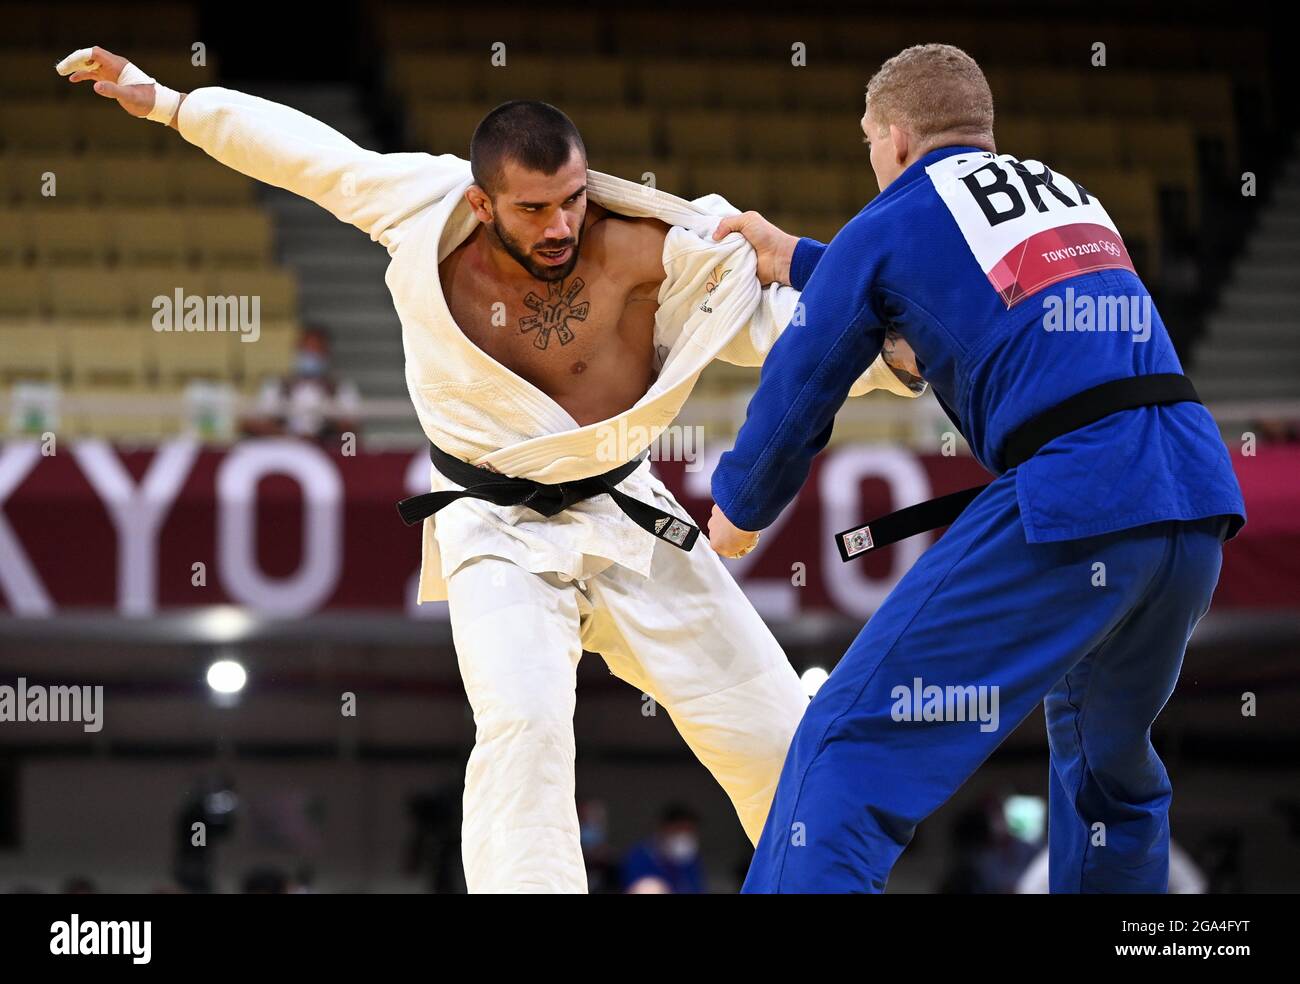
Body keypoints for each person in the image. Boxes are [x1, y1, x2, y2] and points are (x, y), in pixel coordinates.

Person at [59, 45, 923, 893]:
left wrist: (903, 360)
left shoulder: (660, 246)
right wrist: (170, 103)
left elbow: (789, 325)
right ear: (482, 200)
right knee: (525, 728)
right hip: (493, 526)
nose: (559, 227)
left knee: (777, 732)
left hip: (628, 509)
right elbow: (308, 156)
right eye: (534, 208)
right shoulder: (423, 211)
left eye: (573, 201)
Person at [708, 43, 1246, 893]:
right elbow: (947, 293)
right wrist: (803, 259)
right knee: (1109, 774)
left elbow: (807, 374)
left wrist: (740, 502)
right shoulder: (1068, 197)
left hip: (1076, 492)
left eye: (867, 145)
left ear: (894, 137)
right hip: (1195, 499)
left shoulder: (891, 219)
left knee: (847, 741)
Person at [244, 327, 361, 441]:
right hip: (284, 448)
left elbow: (351, 428)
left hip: (325, 451)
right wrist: (290, 437)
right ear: (297, 351)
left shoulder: (341, 388)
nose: (310, 355)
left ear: (326, 353)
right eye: (306, 349)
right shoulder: (276, 386)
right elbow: (256, 424)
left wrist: (325, 428)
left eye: (316, 350)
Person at [619, 804, 706, 894]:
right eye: (679, 829)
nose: (684, 835)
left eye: (689, 830)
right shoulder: (638, 857)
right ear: (663, 828)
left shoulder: (690, 862)